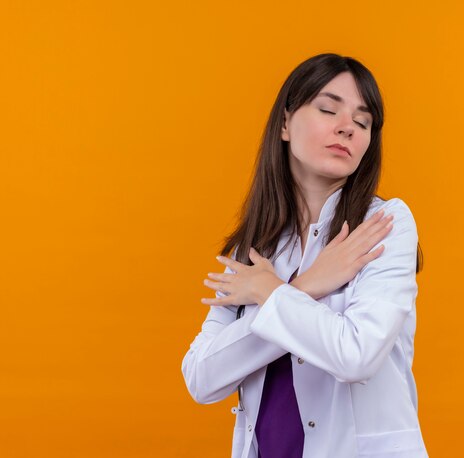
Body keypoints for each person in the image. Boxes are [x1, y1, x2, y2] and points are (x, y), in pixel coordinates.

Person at [181, 53, 428, 458]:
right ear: (284, 123)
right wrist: (306, 286)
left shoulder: (383, 224)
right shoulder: (253, 250)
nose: (346, 127)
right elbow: (202, 377)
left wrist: (272, 294)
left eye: (363, 122)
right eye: (328, 109)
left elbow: (356, 355)